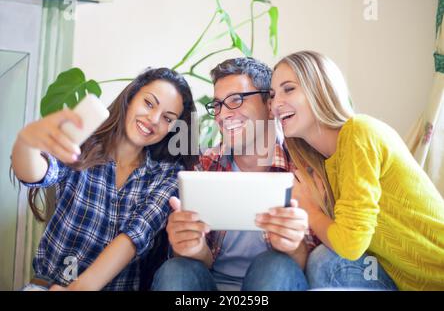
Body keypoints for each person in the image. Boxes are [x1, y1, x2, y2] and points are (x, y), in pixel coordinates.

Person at [270, 50, 444, 290]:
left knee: (327, 261)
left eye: (288, 89)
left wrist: (309, 209)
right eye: (272, 95)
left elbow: (350, 244)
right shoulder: (325, 163)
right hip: (402, 281)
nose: (275, 104)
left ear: (319, 88)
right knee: (324, 261)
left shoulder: (359, 133)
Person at [12, 68, 198, 291]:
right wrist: (26, 142)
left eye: (167, 118)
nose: (154, 119)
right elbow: (38, 172)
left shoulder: (166, 176)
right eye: (149, 103)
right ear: (130, 98)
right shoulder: (84, 145)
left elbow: (133, 238)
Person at [151, 57, 311, 291]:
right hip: (210, 285)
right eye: (217, 105)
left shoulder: (300, 169)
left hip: (272, 283)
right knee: (175, 270)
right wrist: (190, 246)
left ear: (269, 105)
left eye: (236, 100)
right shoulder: (204, 165)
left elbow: (302, 268)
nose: (223, 115)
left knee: (276, 266)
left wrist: (293, 245)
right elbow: (198, 261)